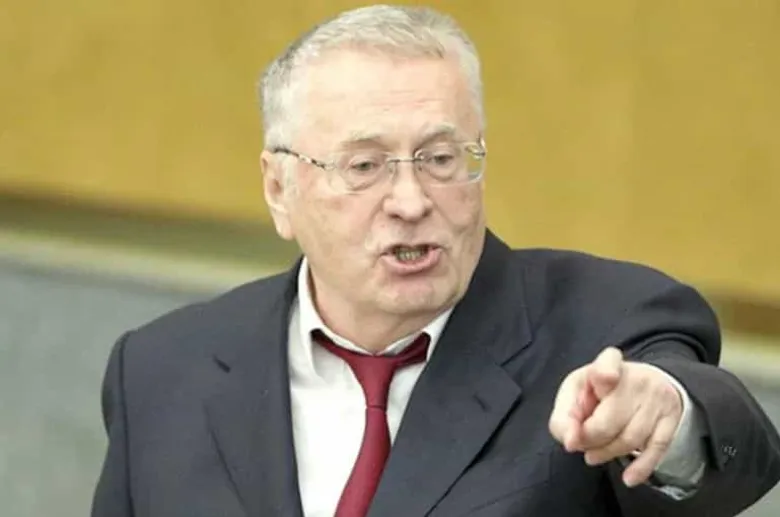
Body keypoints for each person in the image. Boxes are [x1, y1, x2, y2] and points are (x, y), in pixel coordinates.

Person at [90, 5, 780, 517]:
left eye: (441, 159)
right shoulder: (160, 371)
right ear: (279, 188)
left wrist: (670, 418)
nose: (412, 201)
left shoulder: (605, 325)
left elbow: (739, 455)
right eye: (365, 166)